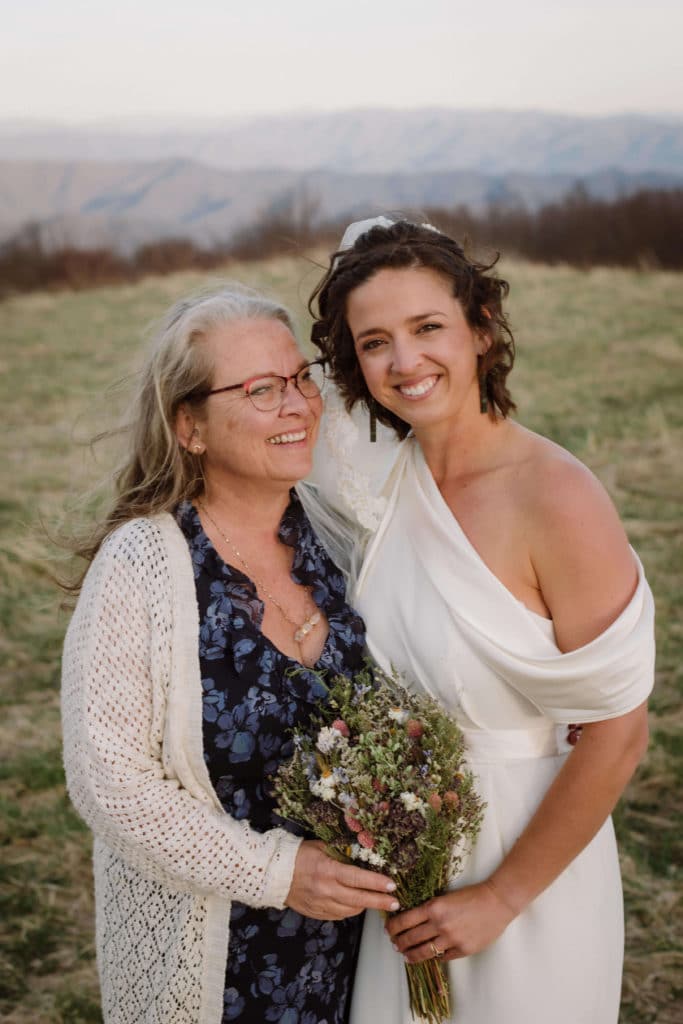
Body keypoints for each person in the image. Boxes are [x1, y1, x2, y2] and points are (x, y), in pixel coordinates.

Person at [306, 218, 655, 1024]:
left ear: (481, 328)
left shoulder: (555, 495)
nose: (404, 361)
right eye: (374, 342)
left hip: (530, 865)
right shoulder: (385, 487)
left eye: (428, 327)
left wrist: (501, 896)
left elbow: (618, 732)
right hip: (408, 860)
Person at [60, 283, 400, 1024]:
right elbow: (109, 784)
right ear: (190, 427)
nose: (297, 405)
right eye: (259, 389)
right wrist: (278, 873)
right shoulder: (142, 565)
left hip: (357, 960)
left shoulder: (340, 540)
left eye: (299, 378)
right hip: (214, 966)